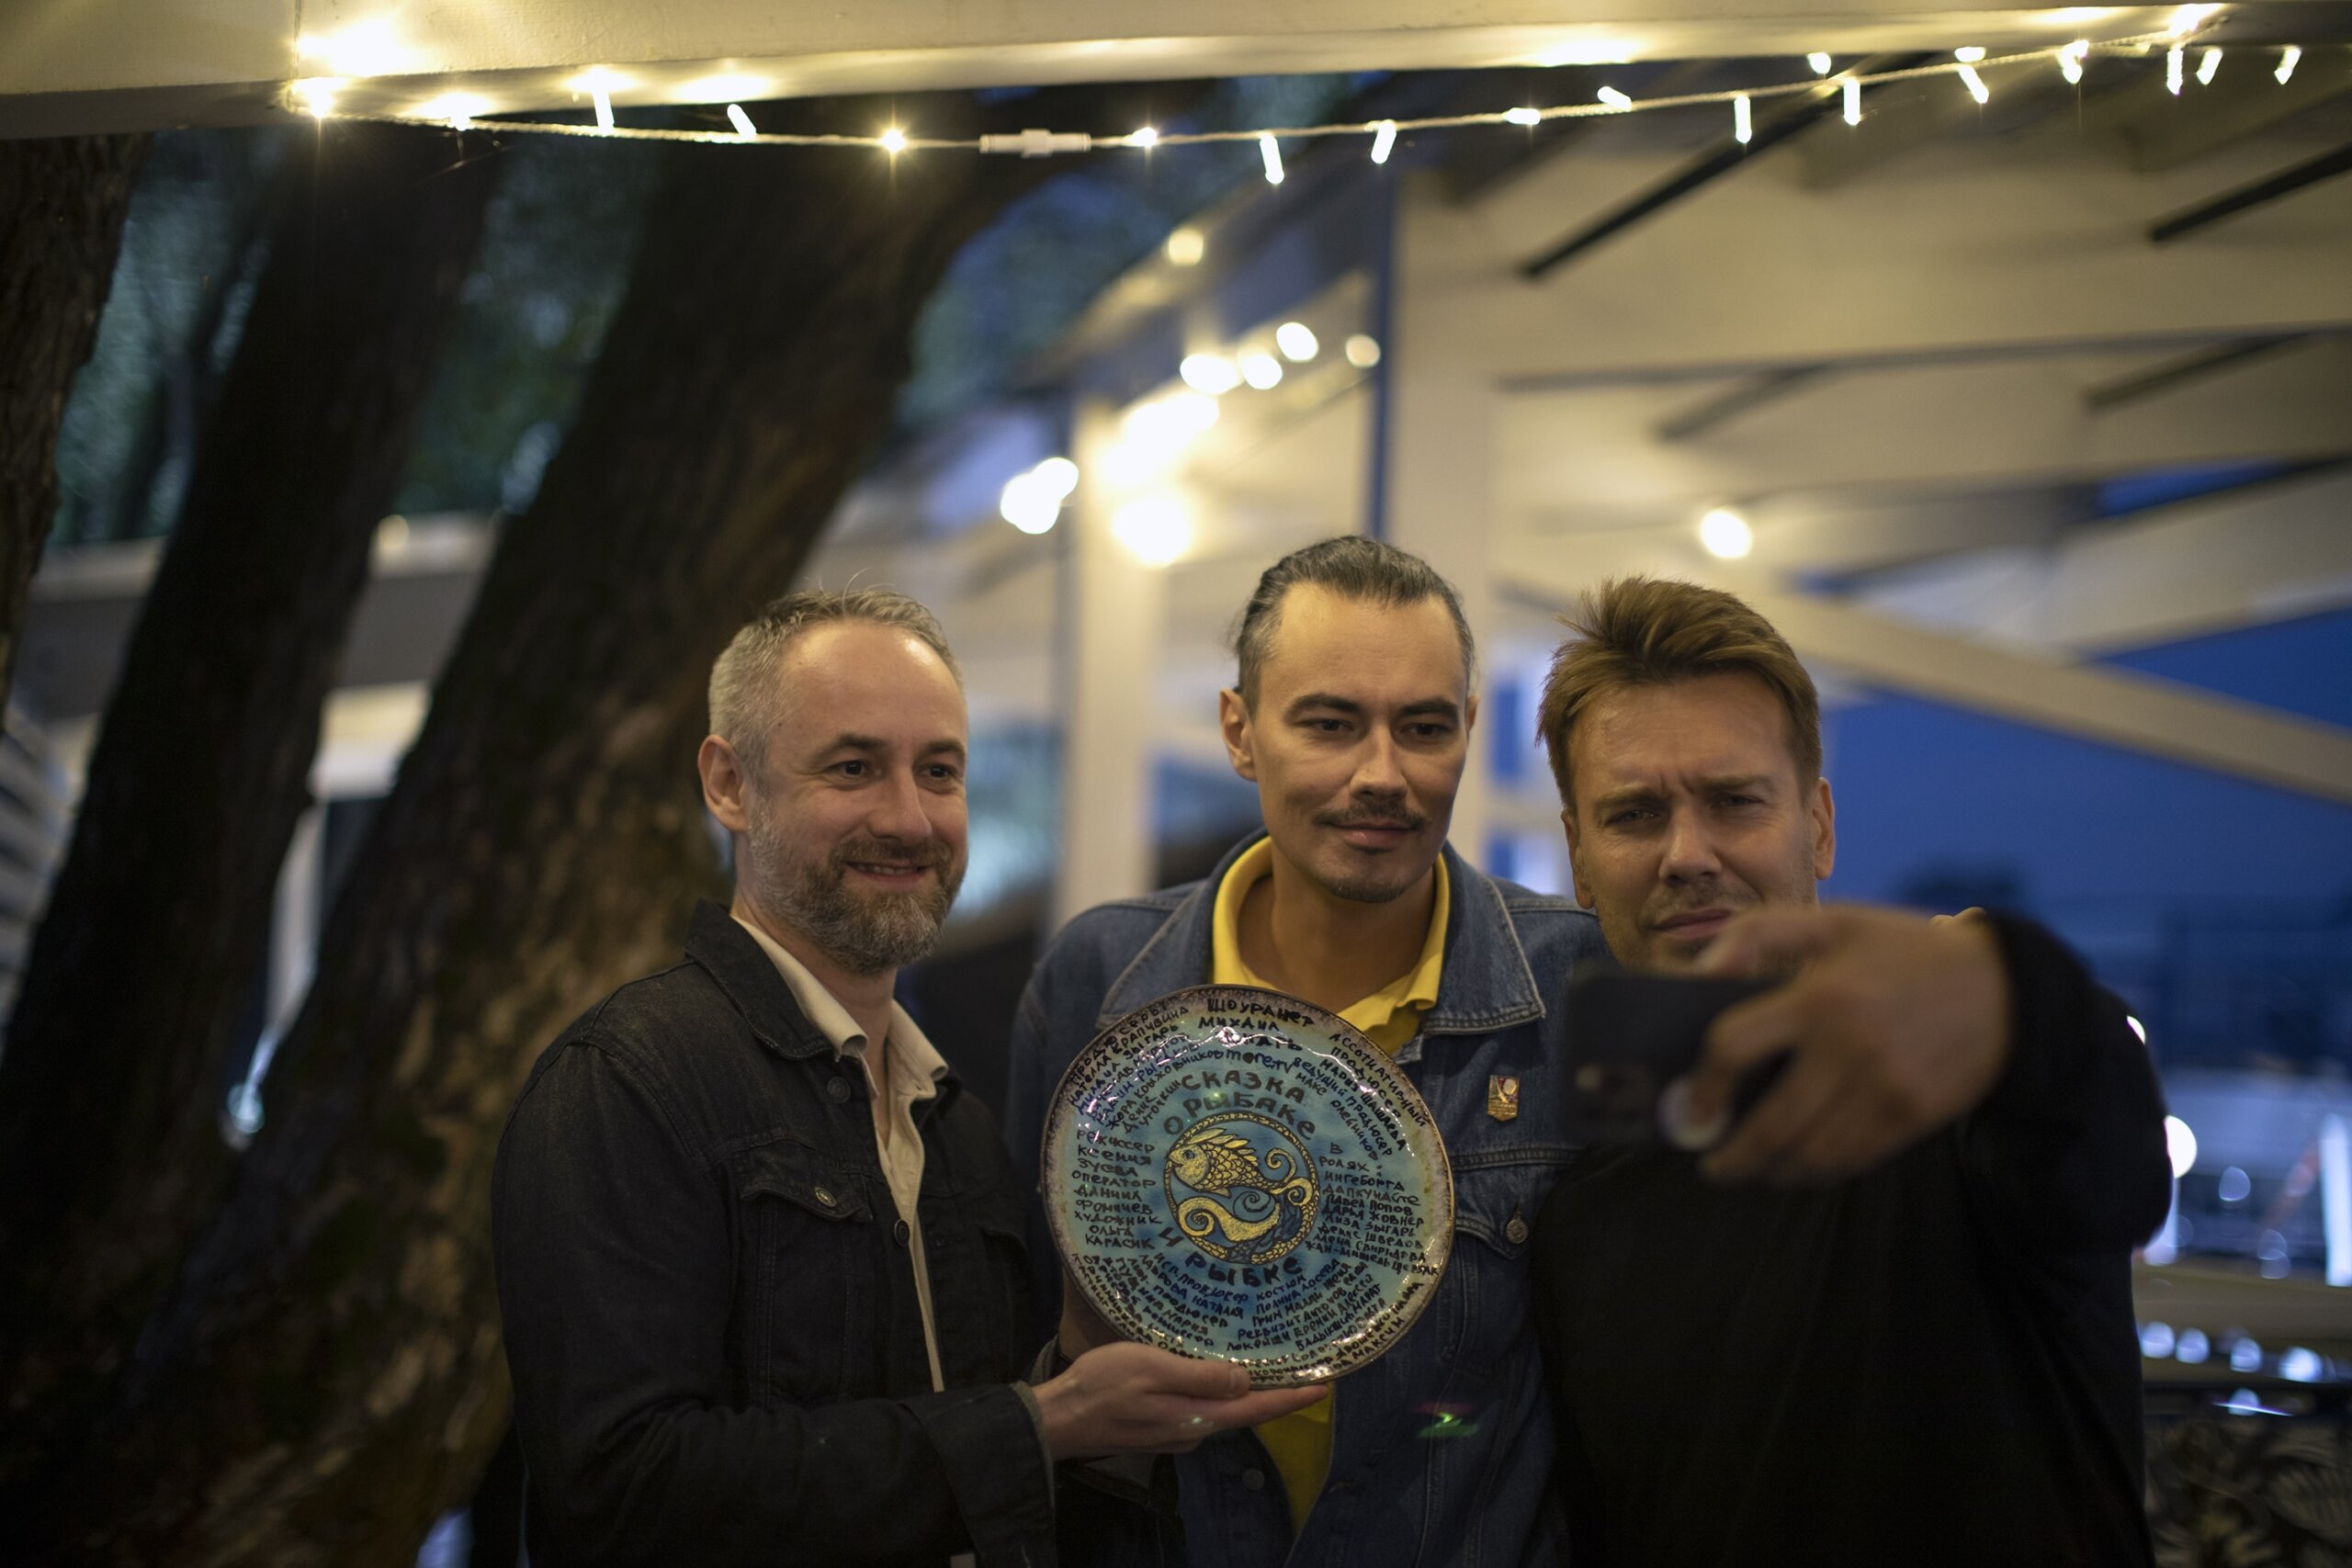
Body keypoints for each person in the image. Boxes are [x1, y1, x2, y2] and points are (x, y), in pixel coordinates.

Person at [492, 589, 1319, 1568]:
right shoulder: (627, 1084)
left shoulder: (953, 1126)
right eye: (852, 767)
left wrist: (1082, 1368)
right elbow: (619, 1492)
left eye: (939, 771)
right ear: (729, 784)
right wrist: (1039, 1423)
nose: (909, 818)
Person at [1528, 575, 2172, 1566]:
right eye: (1634, 814)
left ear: (1818, 826)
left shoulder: (1961, 1101)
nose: (1686, 854)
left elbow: (2110, 1160)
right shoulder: (1578, 1215)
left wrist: (2006, 993)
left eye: (1733, 801)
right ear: (1578, 854)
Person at [1005, 537, 1608, 1566]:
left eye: (1423, 727)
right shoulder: (1097, 981)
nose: (1382, 774)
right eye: (1329, 724)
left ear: (1469, 730)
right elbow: (1018, 1353)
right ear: (1239, 732)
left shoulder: (1574, 986)